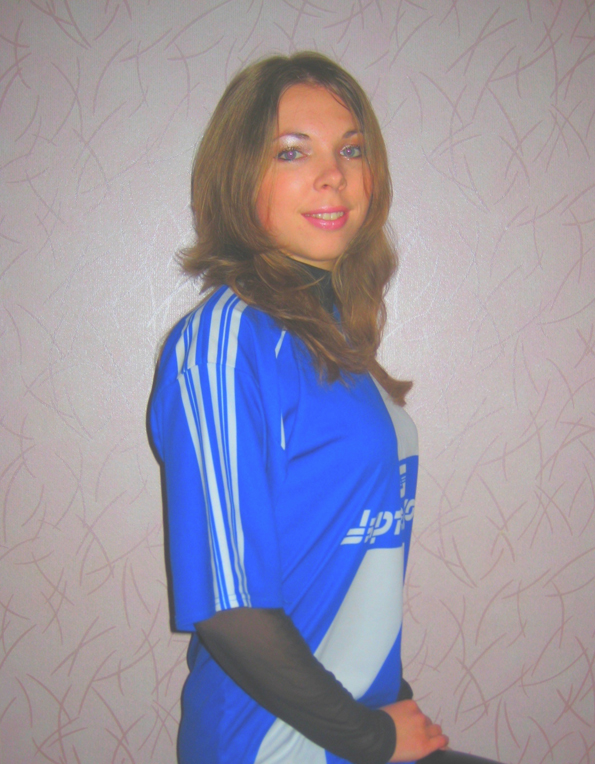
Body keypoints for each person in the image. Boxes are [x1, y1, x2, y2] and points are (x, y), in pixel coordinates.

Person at [149, 52, 502, 764]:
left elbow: (350, 559)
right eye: (291, 151)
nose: (332, 174)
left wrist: (388, 701)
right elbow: (229, 610)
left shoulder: (335, 339)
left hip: (351, 725)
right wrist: (371, 738)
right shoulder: (224, 344)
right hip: (269, 744)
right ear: (239, 177)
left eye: (350, 149)